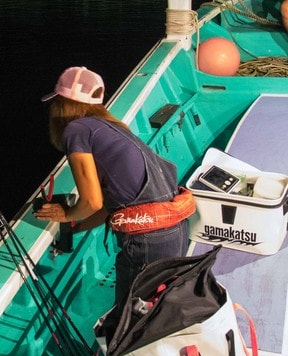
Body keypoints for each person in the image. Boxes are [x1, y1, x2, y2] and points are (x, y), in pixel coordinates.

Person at [34, 66, 195, 306]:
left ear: (64, 104)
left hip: (147, 242)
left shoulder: (76, 130)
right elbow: (111, 205)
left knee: (132, 316)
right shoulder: (114, 129)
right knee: (155, 309)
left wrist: (66, 213)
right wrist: (74, 227)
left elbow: (91, 202)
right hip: (174, 232)